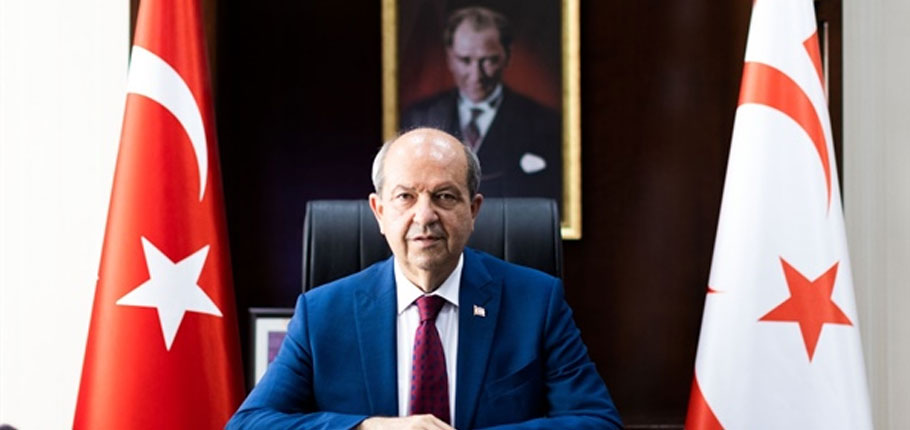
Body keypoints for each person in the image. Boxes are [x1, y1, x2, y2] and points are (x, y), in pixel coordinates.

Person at [227, 128, 621, 429]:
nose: (425, 215)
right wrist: (368, 428)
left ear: (473, 210)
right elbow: (250, 423)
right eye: (406, 197)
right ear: (379, 211)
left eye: (445, 196)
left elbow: (597, 422)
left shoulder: (536, 302)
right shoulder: (322, 313)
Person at [401, 7, 562, 206]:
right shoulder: (418, 117)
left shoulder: (543, 123)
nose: (476, 75)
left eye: (488, 61)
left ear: (507, 56)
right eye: (465, 60)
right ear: (450, 58)